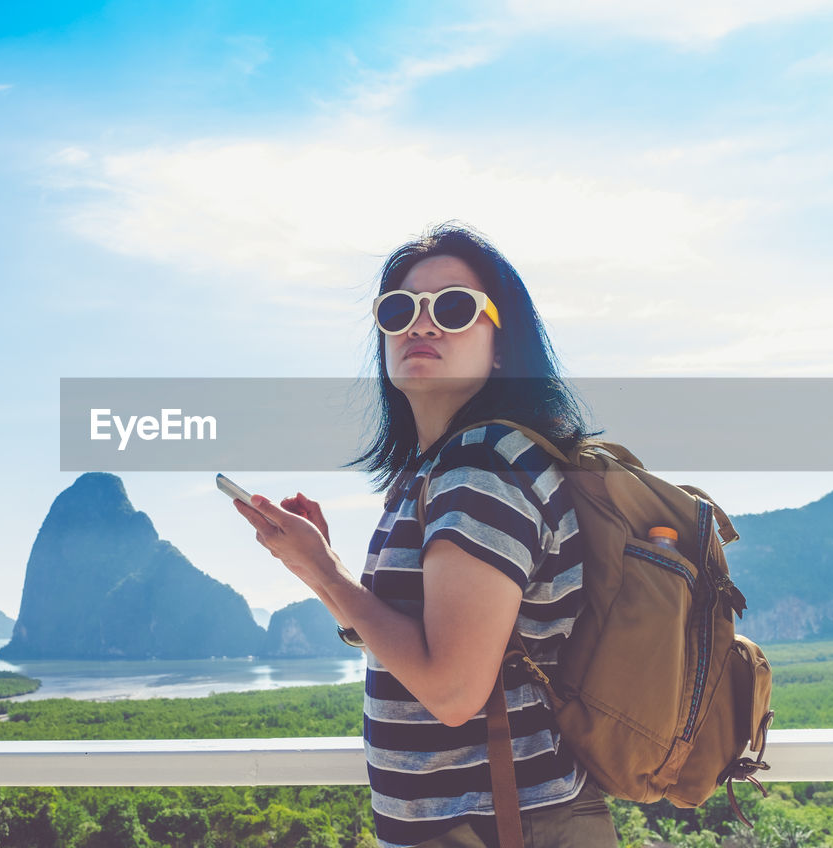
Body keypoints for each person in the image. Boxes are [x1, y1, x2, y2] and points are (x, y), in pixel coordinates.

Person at [232, 223, 620, 848]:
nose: (422, 323)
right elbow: (421, 654)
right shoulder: (441, 469)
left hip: (502, 824)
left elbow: (453, 690)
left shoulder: (480, 464)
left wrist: (325, 575)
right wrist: (324, 567)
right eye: (399, 309)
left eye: (454, 306)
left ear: (501, 344)